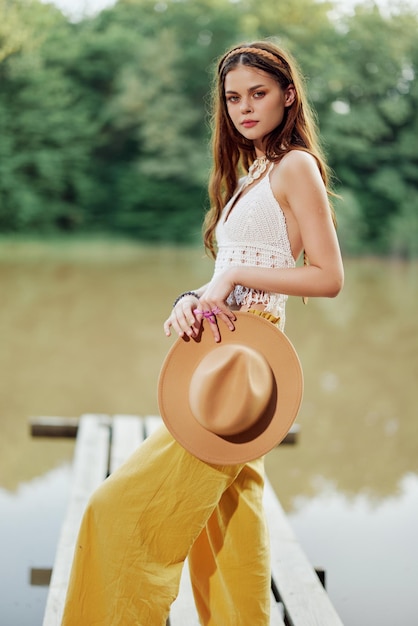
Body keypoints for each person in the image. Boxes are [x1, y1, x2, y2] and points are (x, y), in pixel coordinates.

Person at [61, 40, 343, 625]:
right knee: (232, 534)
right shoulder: (254, 171)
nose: (244, 107)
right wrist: (193, 297)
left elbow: (328, 277)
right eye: (233, 97)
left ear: (288, 96)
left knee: (112, 510)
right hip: (224, 350)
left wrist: (233, 275)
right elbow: (230, 273)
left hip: (244, 364)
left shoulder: (295, 166)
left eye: (258, 94)